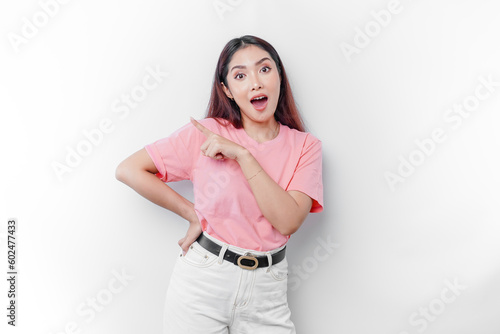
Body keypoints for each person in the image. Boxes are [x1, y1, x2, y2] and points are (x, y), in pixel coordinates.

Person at [115, 35, 323, 333]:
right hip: (203, 281)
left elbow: (287, 221)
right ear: (227, 89)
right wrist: (193, 214)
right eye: (240, 75)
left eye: (264, 69)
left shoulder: (305, 147)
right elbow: (129, 170)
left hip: (268, 288)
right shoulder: (207, 133)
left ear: (279, 75)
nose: (255, 83)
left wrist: (243, 156)